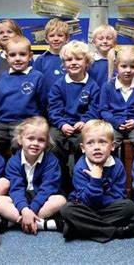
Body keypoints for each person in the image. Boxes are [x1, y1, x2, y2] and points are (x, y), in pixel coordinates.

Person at [60, 120, 134, 243]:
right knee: (67, 209)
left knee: (129, 206)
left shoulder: (117, 165)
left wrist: (100, 201)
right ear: (83, 148)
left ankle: (79, 228)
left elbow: (119, 196)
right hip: (86, 207)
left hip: (107, 209)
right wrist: (95, 180)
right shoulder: (80, 168)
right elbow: (85, 200)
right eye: (90, 143)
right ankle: (116, 231)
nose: (96, 147)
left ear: (112, 146)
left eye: (102, 142)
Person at [0, 117, 67, 235]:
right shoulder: (13, 162)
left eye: (41, 140)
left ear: (47, 142)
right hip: (22, 198)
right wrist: (24, 209)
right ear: (20, 140)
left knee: (60, 200)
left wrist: (31, 210)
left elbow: (48, 189)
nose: (35, 143)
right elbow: (16, 189)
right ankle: (42, 223)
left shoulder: (51, 161)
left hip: (43, 199)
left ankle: (18, 221)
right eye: (30, 138)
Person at [48, 41, 100, 194]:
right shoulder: (58, 85)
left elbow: (95, 108)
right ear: (64, 64)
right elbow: (53, 109)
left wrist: (84, 122)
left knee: (83, 144)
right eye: (69, 60)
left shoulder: (93, 86)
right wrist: (62, 124)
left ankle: (81, 183)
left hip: (84, 126)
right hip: (62, 125)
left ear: (87, 62)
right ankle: (62, 183)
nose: (74, 63)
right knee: (53, 141)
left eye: (78, 59)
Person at [0, 36, 47, 159]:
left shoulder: (37, 76)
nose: (17, 59)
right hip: (3, 122)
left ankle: (19, 173)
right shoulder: (2, 77)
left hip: (26, 122)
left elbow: (42, 103)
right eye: (12, 55)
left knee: (19, 145)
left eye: (22, 54)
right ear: (7, 57)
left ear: (30, 56)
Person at [100, 46, 134, 156]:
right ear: (116, 66)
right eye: (123, 66)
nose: (128, 70)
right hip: (114, 124)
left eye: (132, 67)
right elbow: (104, 110)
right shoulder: (108, 86)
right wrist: (115, 122)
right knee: (109, 144)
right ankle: (113, 169)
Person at [33, 18, 70, 94]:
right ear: (46, 39)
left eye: (60, 35)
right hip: (47, 103)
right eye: (51, 36)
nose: (56, 39)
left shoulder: (72, 59)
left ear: (67, 38)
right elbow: (35, 84)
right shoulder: (40, 60)